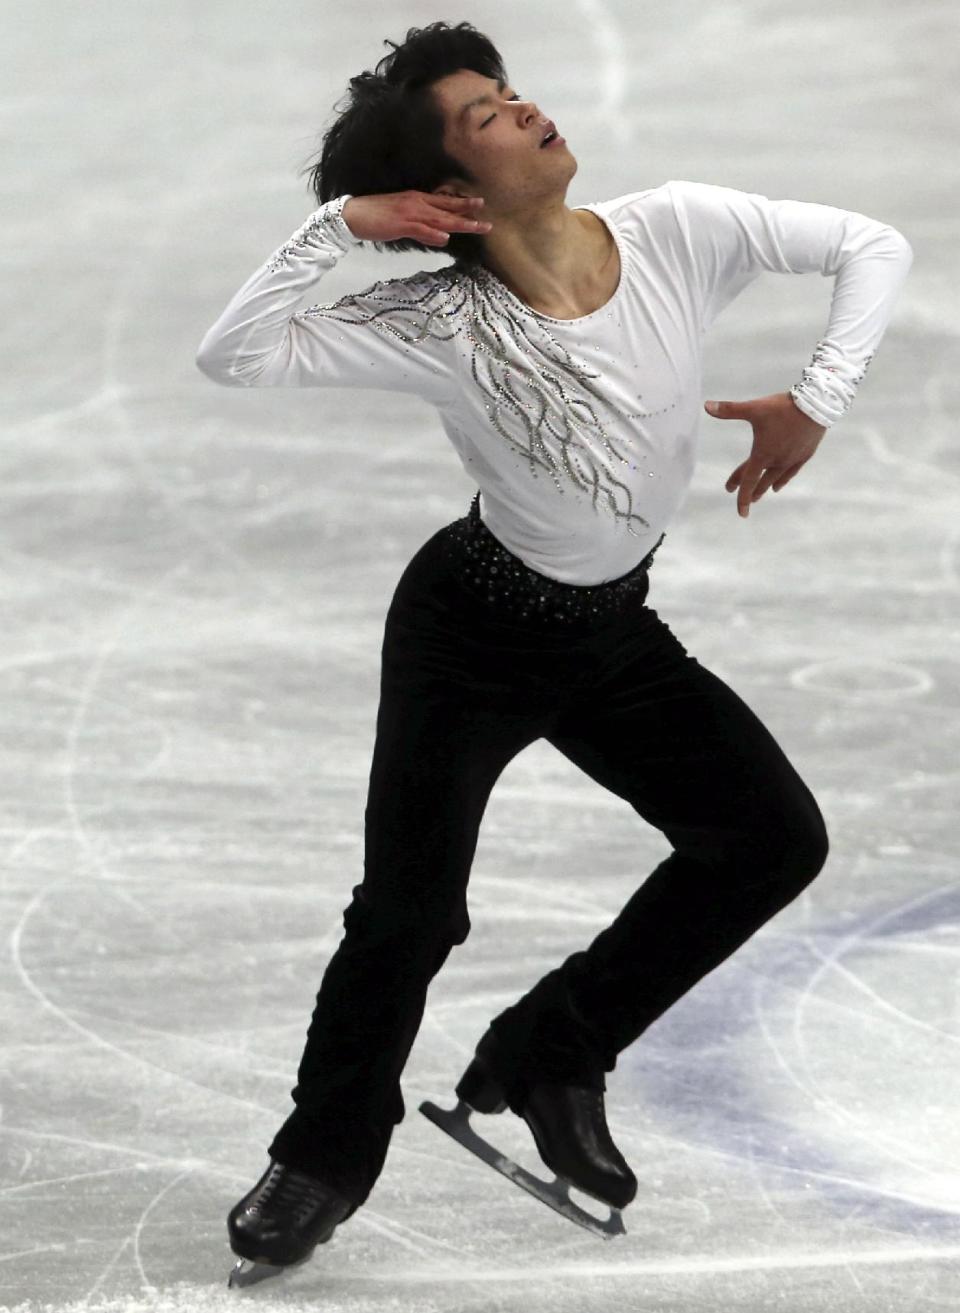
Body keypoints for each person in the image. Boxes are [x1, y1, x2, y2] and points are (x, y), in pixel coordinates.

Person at [196, 18, 913, 1280]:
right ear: (450, 191)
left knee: (770, 839)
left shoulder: (679, 229)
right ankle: (322, 1154)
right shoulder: (438, 317)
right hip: (468, 633)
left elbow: (872, 245)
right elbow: (236, 353)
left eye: (512, 92)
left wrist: (819, 398)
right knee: (410, 913)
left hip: (608, 631)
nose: (527, 111)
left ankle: (553, 1049)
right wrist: (343, 228)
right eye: (486, 115)